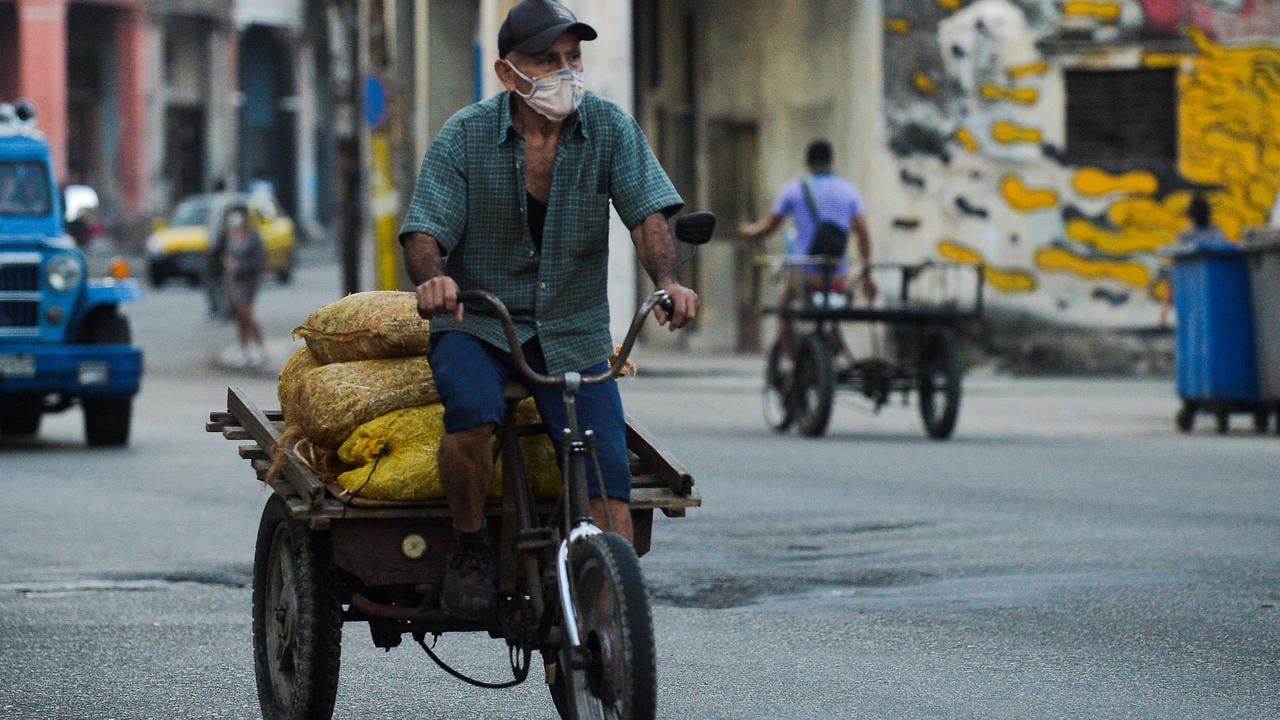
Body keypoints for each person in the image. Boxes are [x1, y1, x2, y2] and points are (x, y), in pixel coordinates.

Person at [398, 0, 698, 623]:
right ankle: (472, 544)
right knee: (474, 417)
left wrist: (668, 281)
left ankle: (607, 628)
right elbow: (425, 230)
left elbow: (647, 215)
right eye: (546, 61)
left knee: (607, 479)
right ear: (510, 74)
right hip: (481, 323)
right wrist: (434, 281)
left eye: (572, 58)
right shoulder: (464, 136)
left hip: (573, 327)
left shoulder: (609, 129)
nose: (565, 73)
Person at [738, 139, 874, 358]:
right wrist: (867, 273)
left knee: (785, 309)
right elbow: (864, 234)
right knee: (834, 311)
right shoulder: (849, 192)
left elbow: (769, 227)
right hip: (838, 274)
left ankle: (791, 359)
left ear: (806, 162)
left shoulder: (794, 190)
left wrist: (749, 231)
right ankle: (831, 338)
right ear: (832, 161)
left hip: (804, 274)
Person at [1160, 192, 1226, 327]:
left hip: (1190, 295)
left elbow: (1173, 273)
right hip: (1214, 296)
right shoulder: (1217, 235)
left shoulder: (1185, 238)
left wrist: (1165, 307)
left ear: (1190, 216)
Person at [219, 205, 268, 367]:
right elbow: (224, 253)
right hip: (233, 281)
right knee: (240, 317)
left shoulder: (253, 235)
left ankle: (260, 348)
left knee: (246, 313)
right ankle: (244, 350)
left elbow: (260, 258)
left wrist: (241, 265)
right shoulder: (229, 235)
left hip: (248, 280)